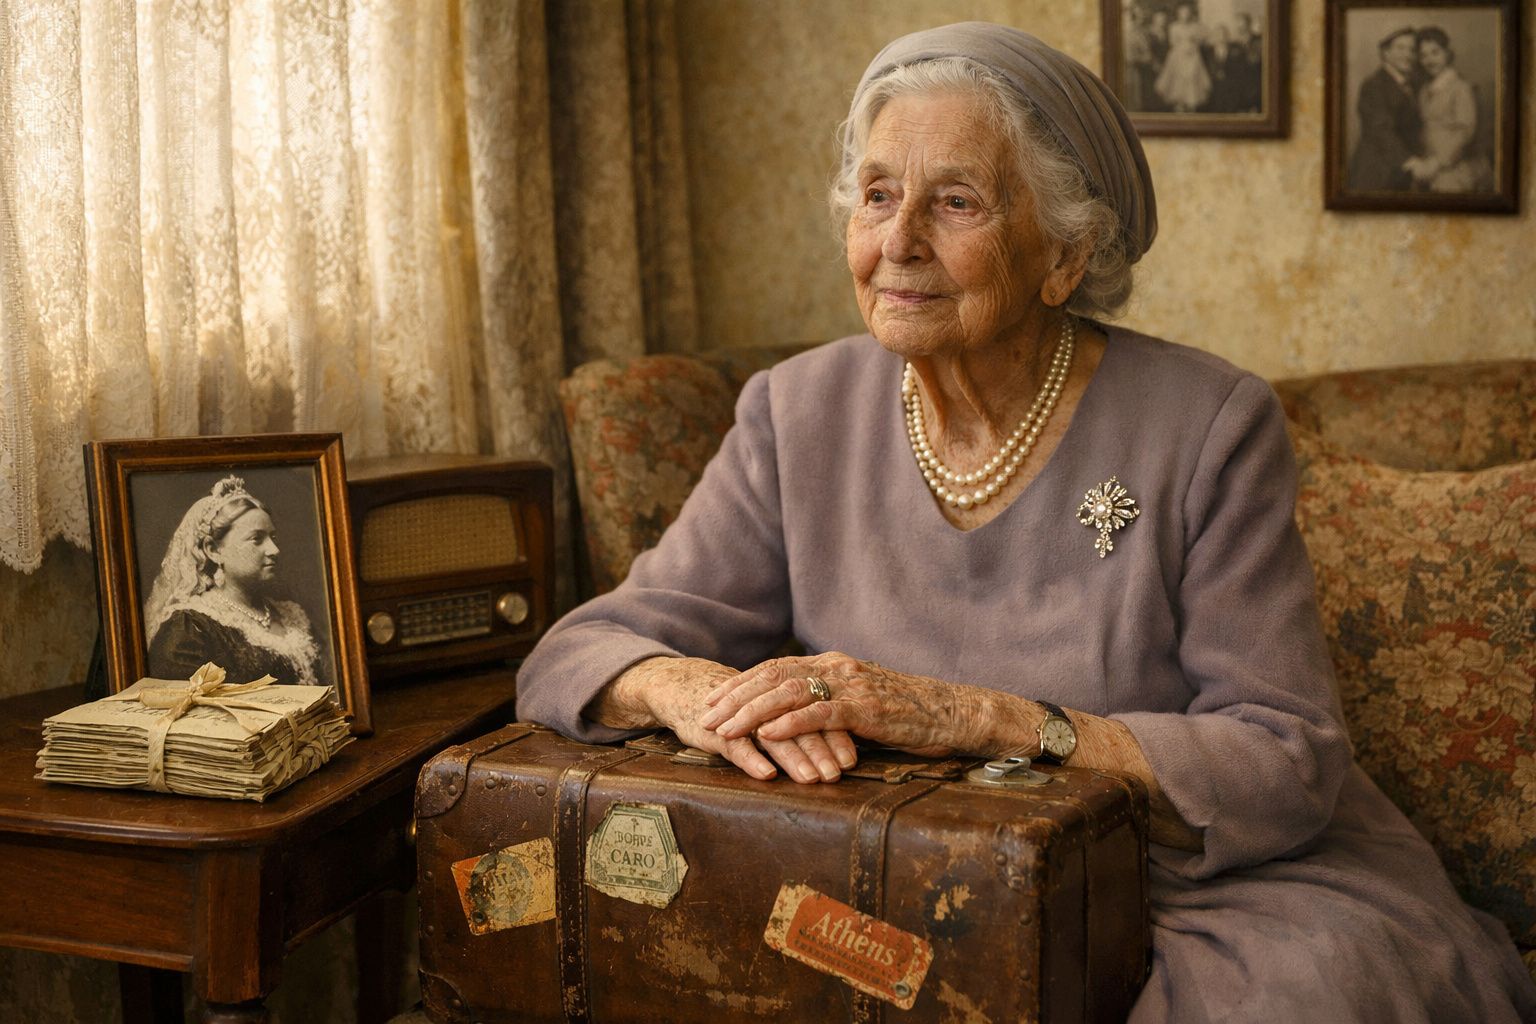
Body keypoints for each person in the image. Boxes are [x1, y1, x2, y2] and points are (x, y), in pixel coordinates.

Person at [516, 21, 1536, 1021]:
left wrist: (987, 720)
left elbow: (1286, 758)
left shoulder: (1209, 424)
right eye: (877, 196)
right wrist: (696, 693)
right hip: (926, 879)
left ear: (1065, 255)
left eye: (953, 200)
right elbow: (581, 651)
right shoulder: (797, 413)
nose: (899, 242)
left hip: (1199, 885)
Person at [144, 475, 322, 687]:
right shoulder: (190, 629)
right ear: (214, 550)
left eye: (272, 537)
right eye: (256, 539)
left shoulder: (293, 615)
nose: (274, 550)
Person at [1405, 26, 1493, 193]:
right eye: (1423, 55)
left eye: (1435, 52)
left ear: (1447, 53)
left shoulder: (1461, 88)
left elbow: (1465, 131)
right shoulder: (1424, 90)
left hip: (1455, 164)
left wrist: (1438, 162)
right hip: (1429, 162)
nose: (1430, 60)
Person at [1347, 26, 1422, 191]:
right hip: (1376, 173)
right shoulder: (1374, 85)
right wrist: (1409, 162)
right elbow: (1380, 129)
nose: (1408, 55)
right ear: (1385, 53)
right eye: (1401, 48)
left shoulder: (1414, 85)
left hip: (1401, 172)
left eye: (1412, 49)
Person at [1153, 3, 1211, 113]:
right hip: (1178, 56)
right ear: (1178, 14)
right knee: (1177, 80)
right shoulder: (1174, 27)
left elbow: (1201, 40)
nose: (1185, 15)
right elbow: (1173, 42)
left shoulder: (1195, 27)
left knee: (1192, 78)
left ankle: (1191, 106)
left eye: (1187, 13)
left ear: (1190, 14)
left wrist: (1192, 46)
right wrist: (1183, 47)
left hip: (1193, 56)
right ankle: (1179, 107)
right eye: (1182, 13)